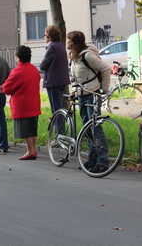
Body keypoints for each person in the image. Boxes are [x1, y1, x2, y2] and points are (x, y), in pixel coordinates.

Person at [67, 30, 111, 172]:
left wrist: (104, 90)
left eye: (68, 40)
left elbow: (106, 69)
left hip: (92, 94)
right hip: (82, 95)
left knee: (95, 128)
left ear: (73, 42)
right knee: (87, 129)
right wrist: (75, 92)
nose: (66, 43)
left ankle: (102, 161)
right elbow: (78, 78)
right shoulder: (74, 56)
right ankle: (92, 160)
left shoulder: (87, 55)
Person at [1, 46, 42, 160]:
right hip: (34, 101)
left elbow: (7, 89)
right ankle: (33, 149)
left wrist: (3, 86)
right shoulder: (34, 69)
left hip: (22, 104)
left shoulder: (17, 71)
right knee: (32, 127)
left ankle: (30, 151)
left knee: (25, 129)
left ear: (18, 58)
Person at [40, 25, 70, 114]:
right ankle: (61, 127)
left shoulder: (51, 47)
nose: (44, 37)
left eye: (45, 35)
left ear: (49, 36)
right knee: (59, 106)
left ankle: (59, 128)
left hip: (53, 81)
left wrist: (42, 61)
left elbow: (42, 66)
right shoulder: (60, 45)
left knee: (56, 109)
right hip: (61, 80)